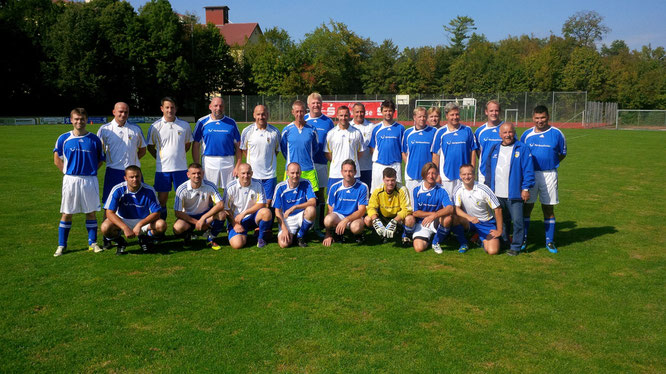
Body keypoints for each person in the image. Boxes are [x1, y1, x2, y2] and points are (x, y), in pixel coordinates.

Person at [53, 108, 105, 256]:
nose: (79, 122)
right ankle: (62, 245)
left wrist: (91, 170)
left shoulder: (94, 139)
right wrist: (67, 172)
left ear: (86, 120)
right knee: (67, 213)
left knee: (91, 212)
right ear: (71, 120)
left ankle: (92, 243)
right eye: (76, 119)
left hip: (89, 180)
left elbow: (100, 160)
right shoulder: (63, 138)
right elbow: (57, 159)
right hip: (71, 180)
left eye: (82, 119)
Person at [482, 123, 535, 256]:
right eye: (505, 133)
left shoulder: (522, 148)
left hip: (514, 193)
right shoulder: (494, 148)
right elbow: (488, 170)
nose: (508, 135)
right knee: (502, 221)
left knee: (517, 220)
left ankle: (516, 246)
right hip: (497, 193)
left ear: (514, 132)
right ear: (500, 135)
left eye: (510, 132)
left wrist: (526, 188)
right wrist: (488, 189)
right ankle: (505, 241)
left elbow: (528, 170)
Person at [520, 105, 567, 253]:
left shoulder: (557, 133)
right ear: (533, 118)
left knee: (548, 207)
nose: (540, 121)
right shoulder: (526, 135)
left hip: (549, 174)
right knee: (527, 207)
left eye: (543, 118)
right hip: (530, 175)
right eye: (537, 118)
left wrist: (550, 163)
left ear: (548, 117)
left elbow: (562, 153)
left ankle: (550, 241)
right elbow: (521, 155)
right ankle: (524, 239)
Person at [101, 166, 167, 254]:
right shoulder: (118, 189)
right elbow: (109, 213)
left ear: (141, 176)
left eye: (137, 176)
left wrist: (140, 225)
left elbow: (157, 213)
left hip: (143, 221)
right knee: (105, 227)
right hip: (123, 220)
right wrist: (124, 227)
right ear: (125, 178)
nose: (135, 179)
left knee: (161, 225)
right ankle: (120, 242)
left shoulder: (149, 190)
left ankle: (145, 239)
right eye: (131, 177)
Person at [146, 97, 192, 220]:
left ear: (176, 109)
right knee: (162, 199)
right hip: (163, 169)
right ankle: (161, 225)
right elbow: (150, 146)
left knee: (183, 199)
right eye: (167, 107)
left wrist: (179, 155)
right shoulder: (155, 126)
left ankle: (183, 227)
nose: (170, 110)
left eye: (172, 107)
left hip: (181, 168)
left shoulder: (184, 125)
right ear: (162, 109)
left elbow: (187, 144)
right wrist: (160, 157)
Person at [97, 102, 147, 209]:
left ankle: (136, 226)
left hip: (134, 173)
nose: (123, 114)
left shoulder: (136, 129)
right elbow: (99, 151)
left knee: (138, 204)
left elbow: (143, 149)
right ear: (114, 112)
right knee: (109, 206)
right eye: (120, 112)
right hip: (113, 172)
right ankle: (107, 226)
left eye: (126, 112)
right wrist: (112, 161)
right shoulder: (105, 129)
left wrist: (132, 163)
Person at [452, 164, 503, 255]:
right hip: (470, 221)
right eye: (464, 174)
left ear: (474, 174)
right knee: (454, 218)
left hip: (486, 223)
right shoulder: (458, 189)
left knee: (492, 251)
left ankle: (479, 238)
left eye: (469, 174)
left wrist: (499, 230)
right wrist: (469, 217)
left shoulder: (483, 189)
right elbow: (456, 209)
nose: (467, 177)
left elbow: (498, 209)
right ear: (460, 175)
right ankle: (464, 243)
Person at [173, 163, 226, 250]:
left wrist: (202, 219)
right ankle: (188, 236)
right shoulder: (181, 189)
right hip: (188, 218)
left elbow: (220, 204)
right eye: (193, 173)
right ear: (188, 175)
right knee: (178, 228)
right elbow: (177, 213)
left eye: (199, 173)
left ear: (203, 173)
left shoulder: (210, 185)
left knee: (222, 214)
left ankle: (210, 237)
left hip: (205, 216)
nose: (197, 176)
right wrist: (197, 222)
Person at [192, 97, 241, 191]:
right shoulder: (202, 122)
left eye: (221, 106)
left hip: (228, 160)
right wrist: (197, 165)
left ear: (224, 107)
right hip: (209, 161)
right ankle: (210, 206)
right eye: (215, 105)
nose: (218, 108)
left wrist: (237, 165)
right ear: (210, 107)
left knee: (230, 190)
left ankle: (227, 206)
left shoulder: (231, 122)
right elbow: (196, 145)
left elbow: (238, 145)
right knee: (208, 189)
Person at [431, 102, 478, 198]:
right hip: (446, 176)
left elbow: (473, 151)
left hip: (465, 176)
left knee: (464, 204)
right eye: (452, 114)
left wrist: (472, 171)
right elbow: (436, 155)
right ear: (447, 116)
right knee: (448, 204)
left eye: (457, 114)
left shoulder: (467, 130)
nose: (455, 117)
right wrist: (436, 174)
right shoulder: (440, 132)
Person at [304, 92, 335, 234]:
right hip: (305, 165)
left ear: (321, 105)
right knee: (305, 193)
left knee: (320, 193)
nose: (316, 105)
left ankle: (319, 222)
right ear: (308, 105)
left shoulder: (328, 121)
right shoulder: (303, 118)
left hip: (321, 163)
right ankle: (306, 221)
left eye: (318, 103)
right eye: (313, 103)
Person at [223, 163, 273, 249]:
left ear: (252, 173)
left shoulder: (258, 184)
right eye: (243, 173)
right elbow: (226, 209)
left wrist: (244, 213)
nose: (246, 176)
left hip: (253, 217)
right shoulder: (230, 187)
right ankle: (236, 232)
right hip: (237, 219)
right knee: (237, 245)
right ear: (237, 173)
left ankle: (261, 238)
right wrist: (235, 224)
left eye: (248, 173)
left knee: (266, 212)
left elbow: (262, 203)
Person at [240, 104, 281, 207]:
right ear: (254, 115)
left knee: (267, 203)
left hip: (269, 175)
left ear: (267, 115)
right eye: (258, 114)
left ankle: (266, 222)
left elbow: (276, 150)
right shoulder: (247, 131)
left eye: (263, 114)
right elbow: (244, 150)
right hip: (252, 175)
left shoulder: (275, 132)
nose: (261, 117)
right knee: (253, 202)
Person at [322, 160, 369, 246]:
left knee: (356, 227)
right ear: (341, 172)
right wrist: (327, 234)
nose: (348, 174)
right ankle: (336, 233)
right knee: (328, 220)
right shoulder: (335, 187)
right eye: (345, 171)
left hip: (354, 217)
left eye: (350, 171)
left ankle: (358, 235)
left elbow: (362, 211)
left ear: (355, 172)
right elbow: (330, 210)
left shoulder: (362, 187)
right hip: (339, 216)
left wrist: (346, 220)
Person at [411, 163, 455, 253]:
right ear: (424, 174)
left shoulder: (442, 190)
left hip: (436, 221)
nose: (431, 176)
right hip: (422, 223)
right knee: (419, 248)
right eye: (428, 173)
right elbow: (415, 212)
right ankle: (430, 237)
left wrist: (435, 216)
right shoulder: (416, 189)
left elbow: (450, 208)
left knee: (447, 218)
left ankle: (436, 241)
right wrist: (432, 215)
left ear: (437, 174)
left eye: (433, 173)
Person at [364, 167, 414, 245]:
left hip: (397, 218)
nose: (390, 183)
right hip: (383, 217)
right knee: (367, 219)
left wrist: (394, 221)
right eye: (387, 180)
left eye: (392, 180)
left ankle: (405, 236)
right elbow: (371, 207)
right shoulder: (378, 190)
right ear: (383, 180)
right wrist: (376, 220)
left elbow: (407, 209)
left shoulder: (402, 189)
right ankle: (381, 234)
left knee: (410, 219)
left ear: (396, 179)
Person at [272, 163, 317, 248]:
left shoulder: (306, 183)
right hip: (287, 218)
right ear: (287, 173)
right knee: (284, 244)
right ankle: (292, 234)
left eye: (297, 173)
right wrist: (284, 229)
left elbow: (313, 202)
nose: (295, 175)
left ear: (300, 173)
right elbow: (277, 211)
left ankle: (301, 235)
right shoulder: (280, 187)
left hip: (301, 215)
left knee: (311, 210)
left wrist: (295, 207)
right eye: (292, 173)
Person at [280, 100, 320, 191]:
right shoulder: (287, 130)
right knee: (290, 194)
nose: (299, 114)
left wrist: (306, 157)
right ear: (293, 112)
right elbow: (284, 149)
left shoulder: (312, 129)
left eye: (301, 111)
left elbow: (315, 148)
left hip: (309, 169)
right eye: (297, 111)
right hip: (291, 171)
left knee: (312, 197)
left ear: (305, 112)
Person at [325, 105, 365, 191]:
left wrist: (351, 164)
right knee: (334, 201)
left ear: (349, 116)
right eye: (341, 115)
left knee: (354, 200)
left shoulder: (357, 133)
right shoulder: (331, 133)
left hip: (353, 173)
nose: (343, 118)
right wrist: (337, 161)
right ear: (337, 116)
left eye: (346, 115)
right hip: (335, 173)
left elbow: (360, 152)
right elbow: (327, 153)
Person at [369, 100, 405, 191]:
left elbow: (403, 148)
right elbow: (372, 147)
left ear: (393, 112)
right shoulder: (376, 128)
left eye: (390, 111)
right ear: (381, 112)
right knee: (377, 191)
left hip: (395, 164)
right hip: (379, 164)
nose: (388, 113)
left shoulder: (400, 128)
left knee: (396, 192)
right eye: (385, 111)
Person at [402, 106, 437, 200]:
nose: (422, 119)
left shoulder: (434, 132)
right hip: (411, 174)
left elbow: (436, 154)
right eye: (420, 116)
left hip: (428, 175)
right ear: (414, 117)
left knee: (428, 201)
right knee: (412, 203)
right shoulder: (407, 133)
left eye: (424, 116)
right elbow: (404, 152)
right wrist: (410, 164)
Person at [474, 100, 503, 184]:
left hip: (502, 172)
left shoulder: (506, 129)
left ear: (499, 112)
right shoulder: (479, 131)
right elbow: (479, 153)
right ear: (486, 112)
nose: (494, 113)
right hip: (484, 173)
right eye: (491, 111)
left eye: (496, 110)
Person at [350, 102, 377, 187]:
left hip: (367, 167)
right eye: (357, 112)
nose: (359, 114)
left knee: (367, 193)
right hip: (352, 168)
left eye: (361, 112)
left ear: (365, 112)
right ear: (353, 112)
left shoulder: (372, 126)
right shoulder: (348, 126)